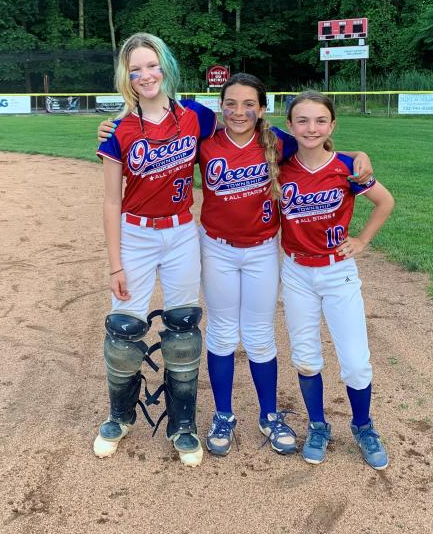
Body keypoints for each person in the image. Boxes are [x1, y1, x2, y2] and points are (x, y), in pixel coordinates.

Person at [99, 75, 374, 458]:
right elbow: (161, 144)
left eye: (249, 104)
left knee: (260, 333)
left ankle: (270, 414)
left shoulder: (279, 141)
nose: (239, 111)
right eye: (230, 103)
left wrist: (359, 156)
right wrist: (114, 126)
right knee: (223, 332)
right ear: (220, 107)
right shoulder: (206, 140)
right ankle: (224, 415)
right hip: (216, 248)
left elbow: (319, 147)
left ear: (262, 108)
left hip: (263, 249)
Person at [94, 33, 217, 467]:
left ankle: (182, 424)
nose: (146, 75)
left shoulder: (198, 117)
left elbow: (255, 141)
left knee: (183, 327)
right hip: (136, 235)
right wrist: (115, 265)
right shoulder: (119, 130)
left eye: (152, 65)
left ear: (166, 66)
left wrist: (346, 154)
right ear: (125, 79)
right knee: (125, 330)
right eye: (135, 70)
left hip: (183, 231)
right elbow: (111, 200)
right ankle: (120, 416)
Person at [277, 91, 394, 469]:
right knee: (306, 358)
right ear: (290, 125)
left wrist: (362, 240)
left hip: (337, 270)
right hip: (296, 271)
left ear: (332, 125)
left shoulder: (348, 166)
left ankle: (363, 425)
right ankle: (317, 425)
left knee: (356, 362)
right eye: (303, 120)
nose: (311, 128)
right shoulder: (279, 165)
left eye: (320, 120)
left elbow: (385, 201)